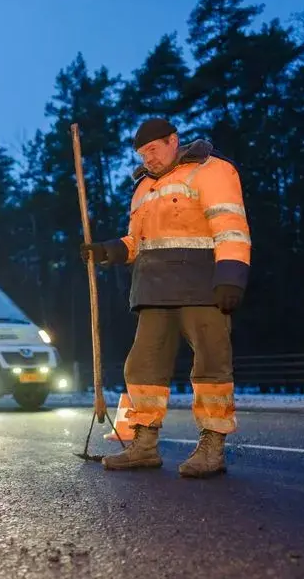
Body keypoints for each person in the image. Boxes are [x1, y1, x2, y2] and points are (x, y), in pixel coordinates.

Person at [81, 118, 250, 478]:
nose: (148, 159)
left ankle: (212, 446)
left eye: (153, 150)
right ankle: (143, 445)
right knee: (142, 368)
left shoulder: (211, 170)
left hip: (202, 285)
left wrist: (231, 276)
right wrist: (107, 251)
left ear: (173, 140)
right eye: (142, 154)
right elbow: (137, 243)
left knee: (211, 366)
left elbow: (230, 226)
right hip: (153, 289)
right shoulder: (143, 187)